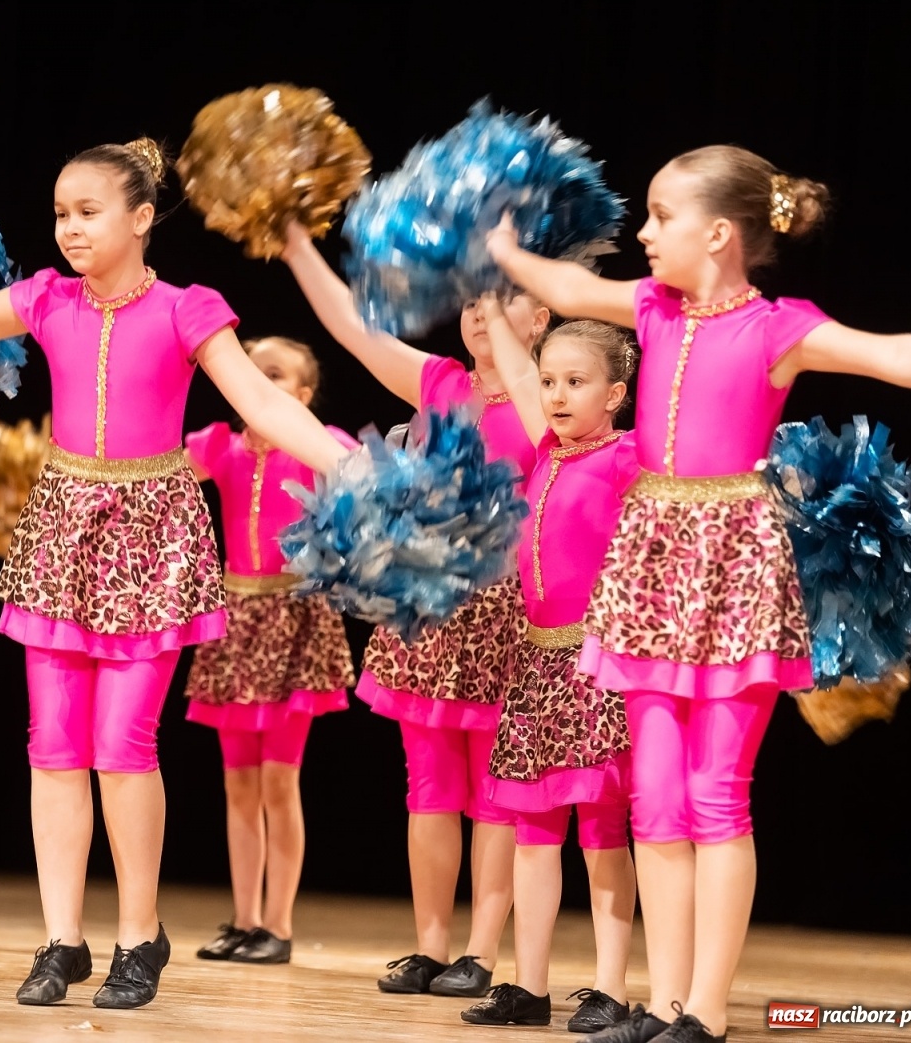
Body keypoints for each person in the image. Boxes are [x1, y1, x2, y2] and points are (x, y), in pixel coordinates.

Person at [0, 138, 349, 1009]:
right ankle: (62, 940)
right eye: (60, 213)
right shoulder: (47, 299)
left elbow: (264, 403)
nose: (70, 228)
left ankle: (137, 937)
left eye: (89, 211)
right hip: (60, 533)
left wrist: (353, 471)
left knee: (123, 748)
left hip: (153, 537)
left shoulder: (187, 308)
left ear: (142, 218)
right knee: (52, 747)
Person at [486, 146, 911, 1043]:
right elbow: (569, 294)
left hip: (734, 568)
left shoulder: (777, 328)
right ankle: (659, 1004)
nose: (644, 235)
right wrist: (501, 247)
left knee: (715, 795)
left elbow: (896, 355)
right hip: (651, 564)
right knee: (655, 801)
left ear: (720, 234)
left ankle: (706, 1010)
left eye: (660, 216)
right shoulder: (652, 310)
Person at [279, 218, 545, 997]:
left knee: (499, 791)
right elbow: (354, 330)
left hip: (508, 613)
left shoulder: (546, 400)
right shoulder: (441, 384)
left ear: (541, 318)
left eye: (501, 301)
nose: (479, 312)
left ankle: (484, 952)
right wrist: (297, 248)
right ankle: (431, 944)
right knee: (428, 786)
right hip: (429, 610)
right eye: (470, 302)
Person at [460, 307, 639, 1033]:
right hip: (536, 665)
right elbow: (514, 364)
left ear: (616, 394)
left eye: (577, 382)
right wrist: (493, 304)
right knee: (533, 832)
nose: (558, 396)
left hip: (596, 666)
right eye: (549, 382)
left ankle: (609, 986)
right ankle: (528, 985)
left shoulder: (626, 458)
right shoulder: (545, 454)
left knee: (603, 832)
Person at [183, 336, 357, 966]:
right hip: (235, 623)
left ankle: (277, 925)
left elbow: (370, 483)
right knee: (238, 784)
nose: (257, 384)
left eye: (276, 375)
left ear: (304, 397)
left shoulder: (320, 445)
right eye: (250, 373)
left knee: (280, 782)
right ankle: (244, 917)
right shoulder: (220, 447)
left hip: (293, 621)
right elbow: (155, 465)